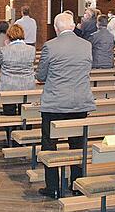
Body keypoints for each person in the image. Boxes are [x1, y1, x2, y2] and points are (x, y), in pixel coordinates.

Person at [36, 12, 96, 198]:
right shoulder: (86, 45)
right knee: (78, 145)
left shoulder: (50, 46)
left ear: (56, 28)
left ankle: (52, 187)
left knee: (49, 145)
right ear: (72, 26)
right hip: (79, 103)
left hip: (55, 104)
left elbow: (41, 75)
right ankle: (77, 185)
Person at [0, 24, 36, 115]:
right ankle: (26, 128)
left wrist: (6, 46)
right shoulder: (31, 49)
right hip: (27, 85)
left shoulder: (4, 50)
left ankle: (10, 129)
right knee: (26, 113)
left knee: (9, 113)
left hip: (9, 86)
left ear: (9, 36)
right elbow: (32, 61)